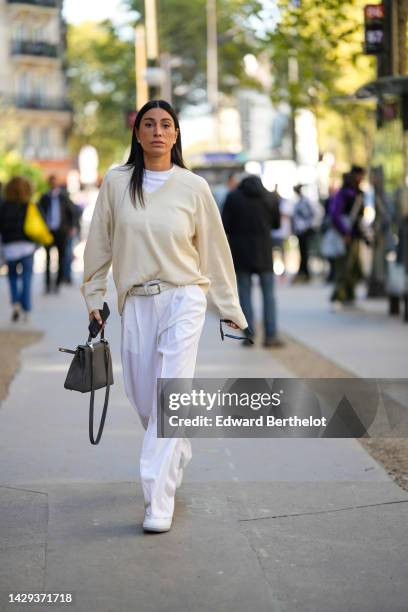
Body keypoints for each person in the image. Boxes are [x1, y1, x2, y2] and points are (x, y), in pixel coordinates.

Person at [81, 99, 248, 533]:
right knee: (141, 395)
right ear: (137, 134)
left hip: (183, 298)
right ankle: (177, 448)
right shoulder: (117, 183)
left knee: (169, 394)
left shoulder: (193, 187)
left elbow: (214, 251)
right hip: (135, 300)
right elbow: (98, 246)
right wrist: (94, 298)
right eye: (149, 124)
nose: (157, 131)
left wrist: (230, 309)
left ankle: (158, 498)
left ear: (176, 136)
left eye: (166, 125)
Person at [222, 174, 283, 348]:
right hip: (264, 253)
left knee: (244, 295)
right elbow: (277, 224)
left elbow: (224, 225)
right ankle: (271, 335)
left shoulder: (233, 197)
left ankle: (249, 334)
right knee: (269, 296)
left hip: (240, 253)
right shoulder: (270, 197)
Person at [0, 177, 36, 322]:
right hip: (27, 247)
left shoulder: (3, 206)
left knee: (13, 277)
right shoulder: (29, 205)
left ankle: (15, 303)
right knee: (27, 278)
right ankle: (26, 310)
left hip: (10, 248)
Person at [330, 165, 365, 307]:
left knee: (355, 268)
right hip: (346, 235)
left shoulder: (358, 193)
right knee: (343, 267)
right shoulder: (344, 193)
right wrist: (345, 232)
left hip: (355, 235)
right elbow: (335, 215)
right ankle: (337, 297)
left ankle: (349, 295)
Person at [38, 175, 75, 294]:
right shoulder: (44, 197)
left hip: (61, 231)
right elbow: (39, 212)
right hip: (48, 231)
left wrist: (71, 227)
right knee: (48, 258)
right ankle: (48, 284)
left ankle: (57, 283)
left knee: (61, 257)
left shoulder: (64, 197)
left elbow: (72, 212)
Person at [291, 184, 315, 282]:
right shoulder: (299, 202)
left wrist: (308, 225)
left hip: (305, 230)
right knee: (302, 252)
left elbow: (311, 214)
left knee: (305, 252)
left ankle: (305, 273)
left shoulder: (305, 201)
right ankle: (304, 272)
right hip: (300, 230)